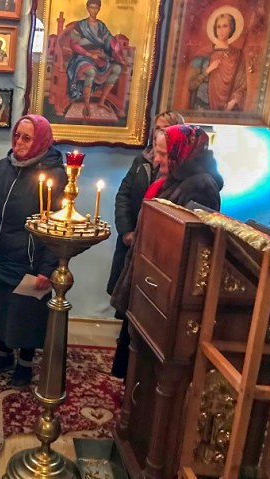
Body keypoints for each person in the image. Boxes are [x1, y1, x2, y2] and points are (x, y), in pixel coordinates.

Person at [110, 124, 224, 377]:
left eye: (163, 153)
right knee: (135, 355)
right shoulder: (175, 179)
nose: (156, 159)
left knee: (151, 367)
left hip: (167, 288)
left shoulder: (200, 187)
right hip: (152, 279)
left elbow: (194, 247)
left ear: (181, 153)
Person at [0, 114, 67, 388]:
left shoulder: (55, 175)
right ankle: (3, 355)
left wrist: (47, 268)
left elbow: (58, 226)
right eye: (16, 135)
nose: (19, 142)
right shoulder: (2, 167)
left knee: (26, 314)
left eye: (27, 138)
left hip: (30, 259)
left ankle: (24, 364)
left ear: (41, 141)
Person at [108, 111, 184, 378]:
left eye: (165, 130)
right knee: (128, 309)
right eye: (156, 128)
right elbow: (124, 195)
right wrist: (127, 231)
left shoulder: (184, 178)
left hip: (155, 255)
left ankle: (132, 377)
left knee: (143, 318)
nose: (158, 134)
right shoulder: (142, 160)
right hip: (132, 242)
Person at [66, 0, 126, 117]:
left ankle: (102, 101)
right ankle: (87, 105)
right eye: (91, 8)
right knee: (91, 72)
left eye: (96, 8)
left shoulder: (101, 26)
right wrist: (89, 54)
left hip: (99, 57)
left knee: (117, 69)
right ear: (88, 8)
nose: (94, 10)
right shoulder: (80, 25)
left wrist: (119, 56)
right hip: (82, 57)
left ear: (99, 9)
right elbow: (74, 45)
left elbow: (111, 41)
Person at [189, 12, 246, 111]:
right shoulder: (203, 53)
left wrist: (233, 101)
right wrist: (208, 70)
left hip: (228, 108)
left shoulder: (237, 55)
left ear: (231, 28)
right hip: (203, 104)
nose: (221, 30)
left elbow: (242, 85)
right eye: (218, 27)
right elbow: (191, 84)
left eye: (225, 26)